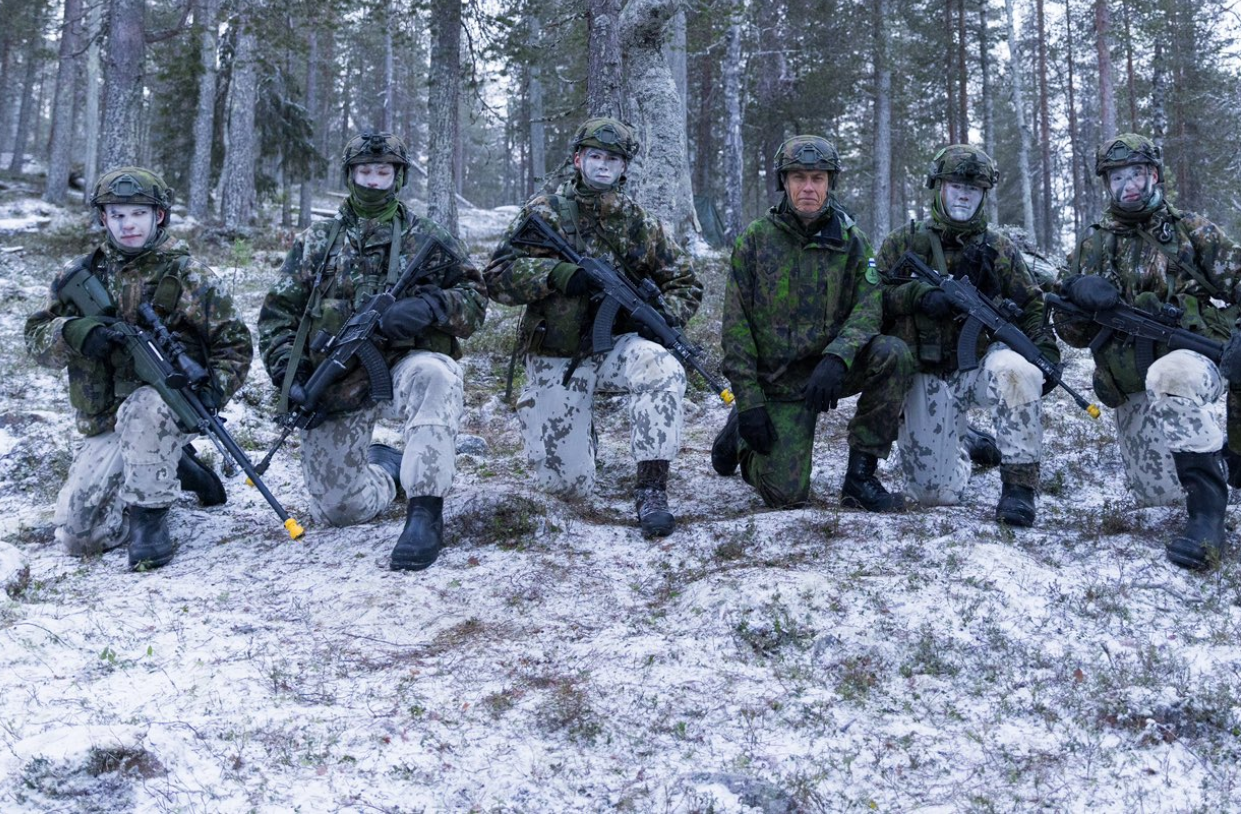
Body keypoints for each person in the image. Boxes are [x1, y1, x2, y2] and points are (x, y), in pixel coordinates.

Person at [258, 132, 485, 571]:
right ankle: (388, 470)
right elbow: (276, 317)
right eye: (365, 171)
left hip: (406, 366)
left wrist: (430, 307)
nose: (374, 180)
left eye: (384, 172)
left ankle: (425, 512)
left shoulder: (426, 236)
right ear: (350, 175)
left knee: (437, 374)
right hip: (339, 378)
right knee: (339, 511)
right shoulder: (318, 241)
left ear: (398, 177)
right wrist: (292, 373)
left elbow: (474, 299)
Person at [1054, 134, 1241, 570]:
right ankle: (1216, 451)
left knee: (1171, 377)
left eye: (1136, 174)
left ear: (1154, 175)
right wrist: (1078, 293)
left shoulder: (1191, 230)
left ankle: (1209, 517)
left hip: (1194, 361)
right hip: (1131, 378)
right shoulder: (1092, 245)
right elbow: (1071, 332)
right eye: (1118, 178)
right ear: (1108, 185)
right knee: (1156, 497)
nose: (1129, 186)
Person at [484, 118, 703, 540]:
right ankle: (581, 439)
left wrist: (657, 319)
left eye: (614, 159)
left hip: (615, 345)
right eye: (596, 157)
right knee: (566, 489)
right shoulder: (542, 212)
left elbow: (687, 282)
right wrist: (557, 275)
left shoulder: (639, 221)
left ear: (624, 168)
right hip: (558, 349)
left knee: (663, 368)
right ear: (578, 159)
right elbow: (496, 276)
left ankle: (652, 487)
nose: (604, 166)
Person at [25, 167, 252, 569]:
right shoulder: (78, 276)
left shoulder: (189, 275)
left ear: (158, 216)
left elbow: (234, 344)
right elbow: (35, 337)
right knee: (82, 537)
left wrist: (212, 389)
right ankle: (180, 467)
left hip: (163, 408)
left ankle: (151, 517)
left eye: (138, 214)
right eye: (117, 215)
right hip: (106, 420)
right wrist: (76, 333)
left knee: (147, 405)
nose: (128, 224)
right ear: (103, 218)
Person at [712, 135, 913, 511]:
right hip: (777, 382)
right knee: (786, 496)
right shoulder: (754, 242)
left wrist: (839, 357)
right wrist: (750, 401)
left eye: (818, 178)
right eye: (799, 177)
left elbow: (869, 307)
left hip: (829, 372)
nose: (808, 188)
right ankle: (739, 434)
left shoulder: (853, 240)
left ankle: (861, 478)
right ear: (783, 182)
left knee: (893, 353)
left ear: (829, 183)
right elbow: (735, 330)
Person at [876, 144, 1058, 526]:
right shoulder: (902, 242)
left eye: (973, 189)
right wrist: (919, 296)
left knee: (1018, 370)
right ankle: (966, 441)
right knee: (932, 495)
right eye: (955, 184)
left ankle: (1020, 487)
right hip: (924, 373)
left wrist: (1044, 351)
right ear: (937, 187)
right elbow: (873, 302)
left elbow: (1032, 305)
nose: (963, 194)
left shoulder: (999, 248)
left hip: (976, 368)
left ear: (983, 195)